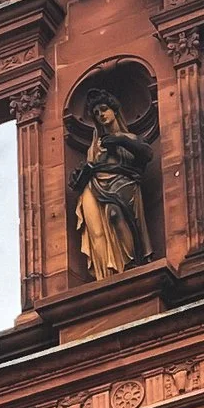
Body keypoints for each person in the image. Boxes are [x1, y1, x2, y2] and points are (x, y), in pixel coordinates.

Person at [73, 93, 154, 280]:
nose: (101, 115)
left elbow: (146, 154)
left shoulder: (130, 137)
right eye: (96, 113)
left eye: (104, 110)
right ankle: (108, 273)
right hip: (95, 185)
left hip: (122, 184)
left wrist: (121, 140)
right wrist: (81, 173)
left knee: (115, 215)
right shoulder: (96, 145)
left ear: (114, 111)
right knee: (97, 230)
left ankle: (131, 263)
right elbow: (91, 164)